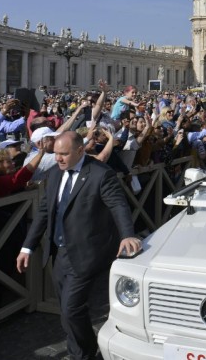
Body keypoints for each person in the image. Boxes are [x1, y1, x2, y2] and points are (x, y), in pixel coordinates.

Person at [16, 131, 141, 360]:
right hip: (58, 252)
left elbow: (118, 205)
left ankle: (82, 354)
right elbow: (44, 212)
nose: (58, 158)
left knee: (71, 309)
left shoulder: (101, 174)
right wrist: (27, 247)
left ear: (80, 150)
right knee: (68, 310)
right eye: (56, 154)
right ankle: (82, 350)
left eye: (64, 154)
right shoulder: (54, 173)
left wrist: (127, 235)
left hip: (85, 252)